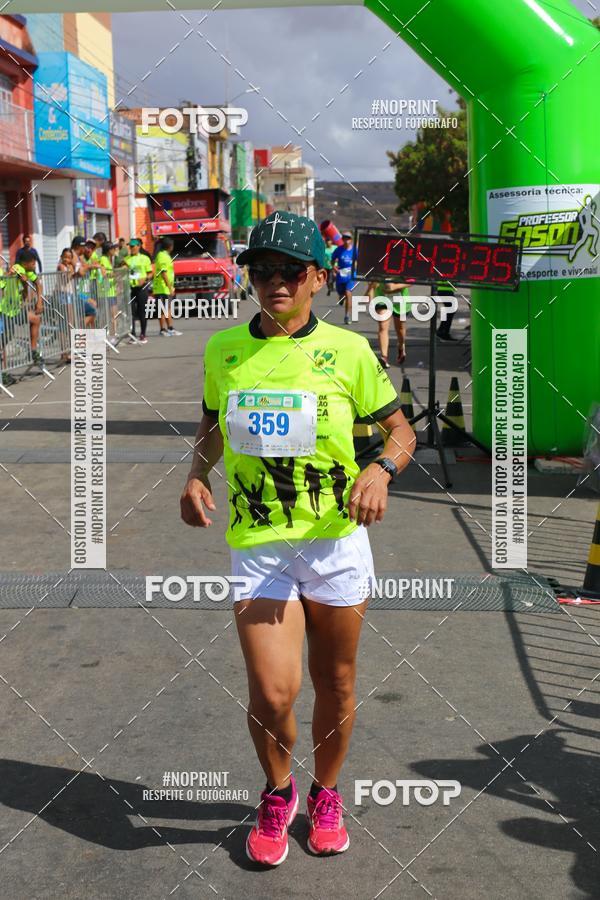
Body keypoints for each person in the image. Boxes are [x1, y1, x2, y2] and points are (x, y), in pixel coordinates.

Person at [180, 211, 416, 867]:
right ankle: (279, 792)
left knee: (335, 684)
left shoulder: (347, 351)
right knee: (272, 693)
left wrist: (380, 469)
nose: (274, 281)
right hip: (260, 545)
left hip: (334, 544)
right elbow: (211, 426)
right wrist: (196, 477)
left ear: (317, 277)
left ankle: (328, 793)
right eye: (262, 269)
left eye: (289, 270)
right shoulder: (223, 350)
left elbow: (402, 433)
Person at [5, 250, 44, 365]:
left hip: (16, 309)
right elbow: (14, 277)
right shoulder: (18, 268)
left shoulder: (27, 271)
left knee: (36, 319)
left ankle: (33, 351)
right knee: (5, 340)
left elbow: (38, 283)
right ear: (25, 263)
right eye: (33, 264)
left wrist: (39, 302)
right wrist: (23, 282)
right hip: (6, 310)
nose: (35, 266)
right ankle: (3, 372)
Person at [368, 280, 409, 367]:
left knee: (400, 329)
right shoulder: (377, 266)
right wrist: (370, 293)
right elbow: (372, 281)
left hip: (400, 298)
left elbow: (412, 280)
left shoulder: (404, 267)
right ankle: (384, 357)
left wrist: (395, 286)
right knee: (382, 326)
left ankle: (401, 346)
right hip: (382, 298)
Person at [120, 238, 152, 344]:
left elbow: (150, 273)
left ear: (139, 246)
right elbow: (121, 271)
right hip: (130, 288)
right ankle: (132, 334)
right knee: (131, 312)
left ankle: (143, 334)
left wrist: (145, 279)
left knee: (142, 311)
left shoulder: (145, 258)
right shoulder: (127, 259)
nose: (131, 248)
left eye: (133, 246)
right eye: (130, 246)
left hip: (141, 288)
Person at [153, 237, 181, 337]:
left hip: (164, 287)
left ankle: (169, 328)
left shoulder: (165, 255)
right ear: (170, 246)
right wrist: (169, 287)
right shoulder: (162, 257)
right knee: (163, 309)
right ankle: (163, 329)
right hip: (162, 287)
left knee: (166, 308)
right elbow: (163, 273)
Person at [331, 232, 356, 325]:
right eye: (345, 238)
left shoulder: (354, 250)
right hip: (340, 274)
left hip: (351, 275)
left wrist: (356, 269)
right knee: (341, 293)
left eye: (348, 238)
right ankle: (341, 297)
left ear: (351, 240)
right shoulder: (338, 250)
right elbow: (332, 261)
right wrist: (334, 267)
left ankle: (347, 315)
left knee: (348, 293)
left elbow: (359, 260)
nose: (346, 240)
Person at [56, 247, 76, 362]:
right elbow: (67, 278)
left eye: (69, 257)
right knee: (65, 324)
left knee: (70, 324)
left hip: (69, 296)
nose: (67, 259)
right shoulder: (61, 266)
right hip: (63, 297)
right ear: (61, 257)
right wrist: (71, 270)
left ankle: (68, 351)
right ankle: (64, 352)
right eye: (65, 257)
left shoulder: (69, 267)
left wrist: (72, 269)